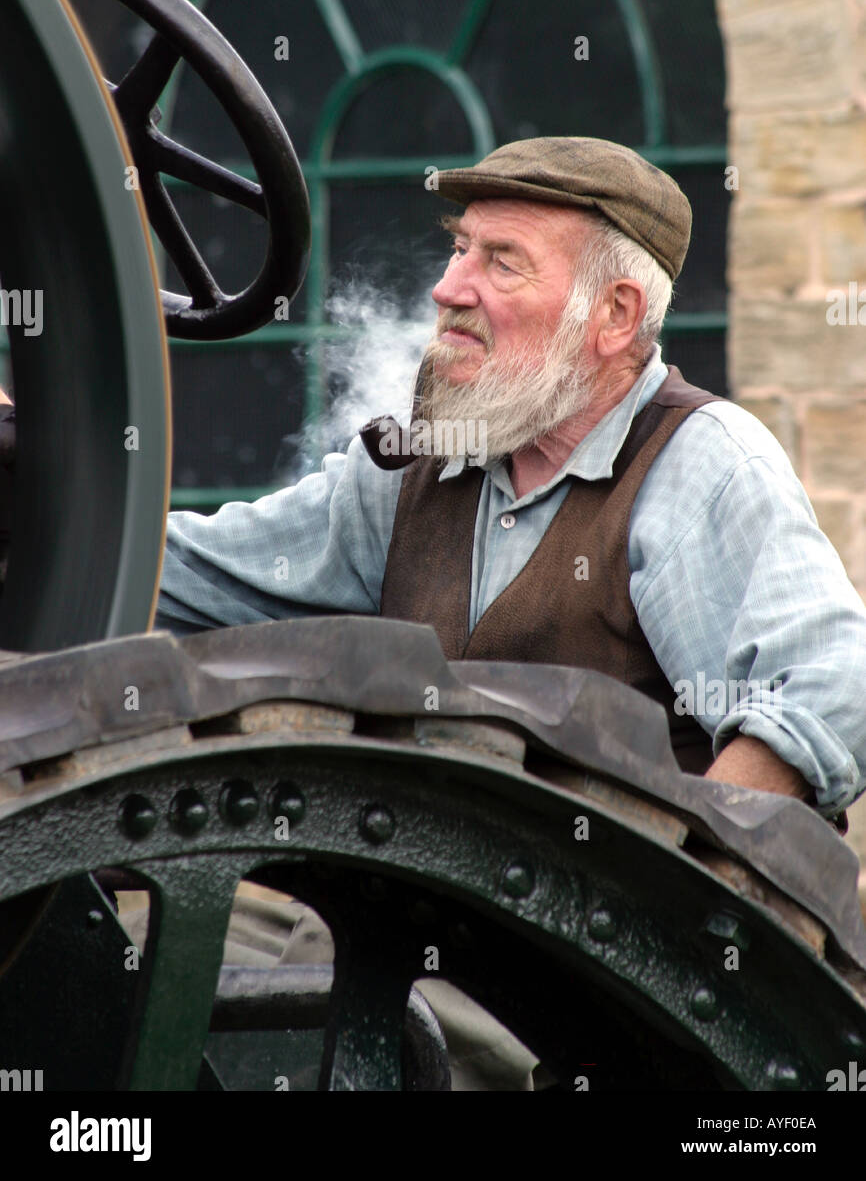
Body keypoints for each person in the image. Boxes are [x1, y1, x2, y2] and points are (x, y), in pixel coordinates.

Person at [150, 135, 866, 1089]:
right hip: (402, 904)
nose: (450, 286)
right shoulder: (418, 464)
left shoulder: (701, 463)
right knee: (148, 952)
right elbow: (186, 575)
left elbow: (827, 687)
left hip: (575, 971)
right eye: (457, 248)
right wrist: (36, 479)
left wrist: (666, 906)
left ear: (615, 316)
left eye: (501, 261)